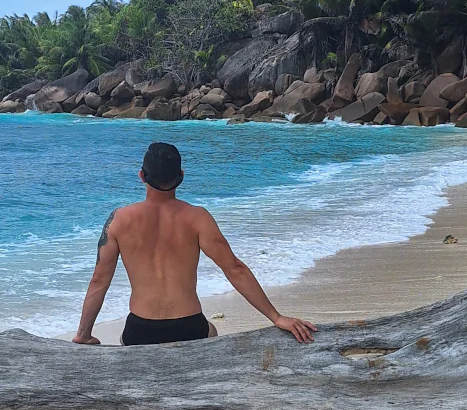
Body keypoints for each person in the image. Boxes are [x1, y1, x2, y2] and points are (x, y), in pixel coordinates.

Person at [72, 140, 317, 347]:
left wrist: (83, 334)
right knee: (211, 331)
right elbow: (235, 269)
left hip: (140, 330)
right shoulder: (198, 218)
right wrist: (276, 317)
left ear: (141, 176)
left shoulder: (119, 220)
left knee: (126, 342)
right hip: (189, 326)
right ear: (181, 177)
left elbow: (99, 281)